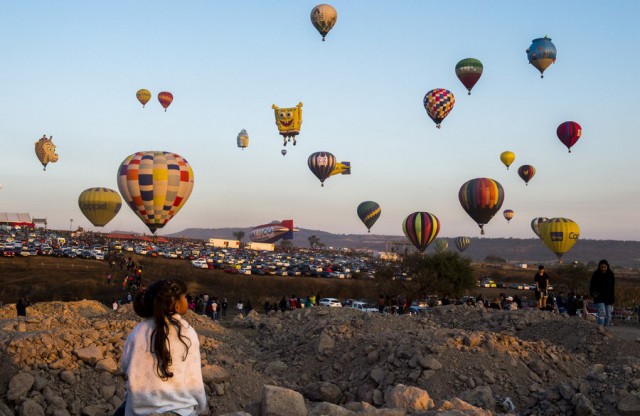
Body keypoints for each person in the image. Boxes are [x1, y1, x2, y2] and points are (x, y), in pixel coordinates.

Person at [117, 279, 206, 416]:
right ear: (176, 305)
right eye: (184, 297)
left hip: (139, 411)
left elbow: (125, 366)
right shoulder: (188, 333)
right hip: (180, 412)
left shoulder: (137, 332)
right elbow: (194, 381)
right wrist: (200, 407)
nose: (186, 300)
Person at [590, 259, 616, 326]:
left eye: (604, 267)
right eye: (601, 267)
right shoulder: (596, 274)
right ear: (599, 267)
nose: (603, 269)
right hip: (599, 297)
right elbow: (592, 285)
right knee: (602, 314)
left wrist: (613, 298)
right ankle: (600, 329)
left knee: (608, 315)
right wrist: (593, 293)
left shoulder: (611, 275)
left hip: (608, 298)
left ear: (607, 267)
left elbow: (612, 287)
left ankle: (605, 329)